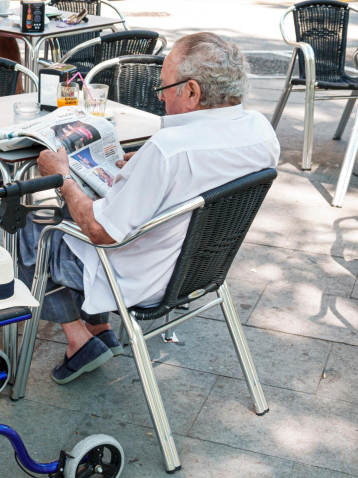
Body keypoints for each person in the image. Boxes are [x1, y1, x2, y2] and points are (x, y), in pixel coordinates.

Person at [19, 32, 280, 384]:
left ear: (191, 92)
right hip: (200, 269)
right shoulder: (261, 132)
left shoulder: (169, 150)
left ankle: (77, 340)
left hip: (139, 277)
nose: (162, 98)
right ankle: (99, 327)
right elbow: (205, 167)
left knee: (30, 229)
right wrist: (145, 165)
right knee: (77, 210)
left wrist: (62, 178)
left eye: (164, 88)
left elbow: (102, 232)